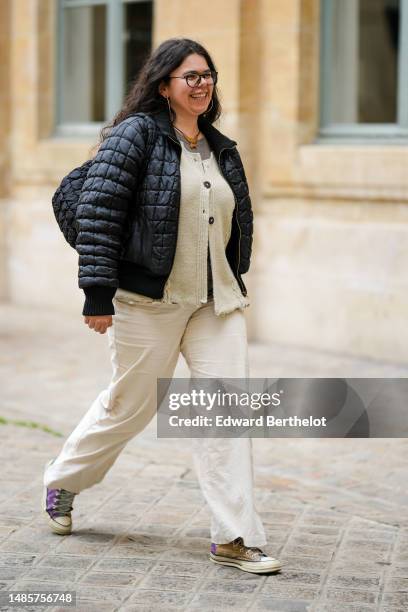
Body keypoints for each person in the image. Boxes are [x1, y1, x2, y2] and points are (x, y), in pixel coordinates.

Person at [43, 37, 282, 575]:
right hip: (147, 301)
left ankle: (235, 536)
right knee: (129, 407)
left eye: (207, 74)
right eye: (189, 76)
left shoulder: (220, 146)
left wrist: (233, 273)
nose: (202, 83)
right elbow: (99, 208)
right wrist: (98, 292)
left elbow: (231, 220)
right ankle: (62, 480)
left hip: (214, 304)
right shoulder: (137, 136)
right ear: (163, 86)